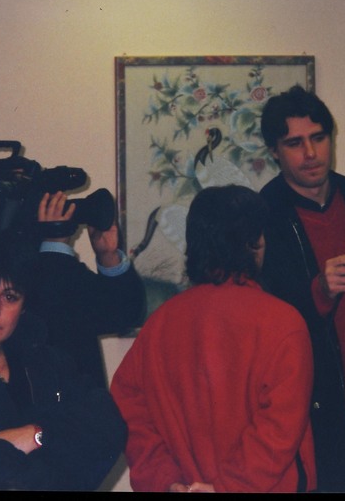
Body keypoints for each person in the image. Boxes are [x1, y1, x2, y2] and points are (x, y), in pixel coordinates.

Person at [110, 185, 317, 493]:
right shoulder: (283, 323)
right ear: (254, 243)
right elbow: (278, 431)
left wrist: (165, 479)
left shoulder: (160, 324)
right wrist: (225, 487)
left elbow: (127, 408)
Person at [0, 230, 127, 490]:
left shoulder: (49, 362)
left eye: (10, 297)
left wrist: (35, 435)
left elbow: (108, 426)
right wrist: (58, 443)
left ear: (23, 305)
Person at [258, 85, 345, 492]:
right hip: (312, 427)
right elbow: (259, 322)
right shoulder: (262, 217)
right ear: (274, 151)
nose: (311, 153)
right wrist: (317, 292)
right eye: (294, 143)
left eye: (318, 138)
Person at [30, 190, 145, 389]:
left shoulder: (66, 275)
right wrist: (54, 244)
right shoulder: (22, 264)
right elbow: (51, 316)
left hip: (81, 402)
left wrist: (108, 256)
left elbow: (125, 315)